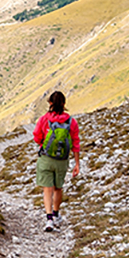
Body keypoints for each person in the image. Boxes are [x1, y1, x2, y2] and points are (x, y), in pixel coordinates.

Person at [33, 91, 80, 232]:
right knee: (58, 188)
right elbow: (75, 143)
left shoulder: (44, 119)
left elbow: (36, 137)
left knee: (47, 189)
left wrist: (44, 143)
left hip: (46, 158)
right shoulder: (71, 122)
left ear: (50, 103)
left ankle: (49, 219)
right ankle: (56, 213)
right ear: (64, 104)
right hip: (62, 160)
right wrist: (77, 164)